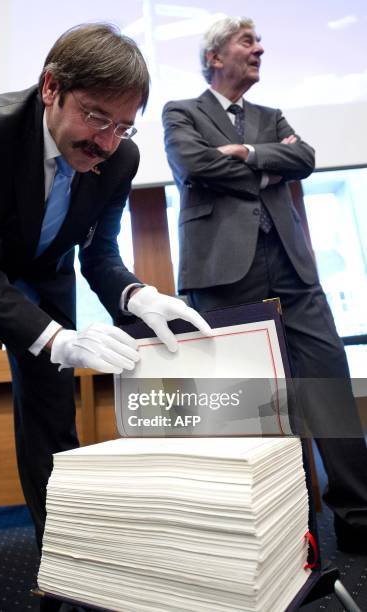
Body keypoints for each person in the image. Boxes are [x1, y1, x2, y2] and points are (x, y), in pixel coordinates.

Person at [0, 23, 210, 610]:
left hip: (40, 262)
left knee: (53, 415)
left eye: (123, 126)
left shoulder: (120, 156)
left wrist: (136, 296)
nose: (107, 143)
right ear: (51, 86)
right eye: (97, 118)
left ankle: (69, 574)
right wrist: (55, 338)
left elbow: (98, 255)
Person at [162, 16, 367, 553]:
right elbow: (193, 164)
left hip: (293, 268)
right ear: (215, 57)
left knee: (328, 387)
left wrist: (249, 155)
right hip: (223, 275)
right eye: (247, 42)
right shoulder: (181, 111)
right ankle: (272, 529)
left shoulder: (270, 116)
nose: (260, 50)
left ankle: (358, 519)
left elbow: (306, 158)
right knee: (246, 403)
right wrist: (270, 168)